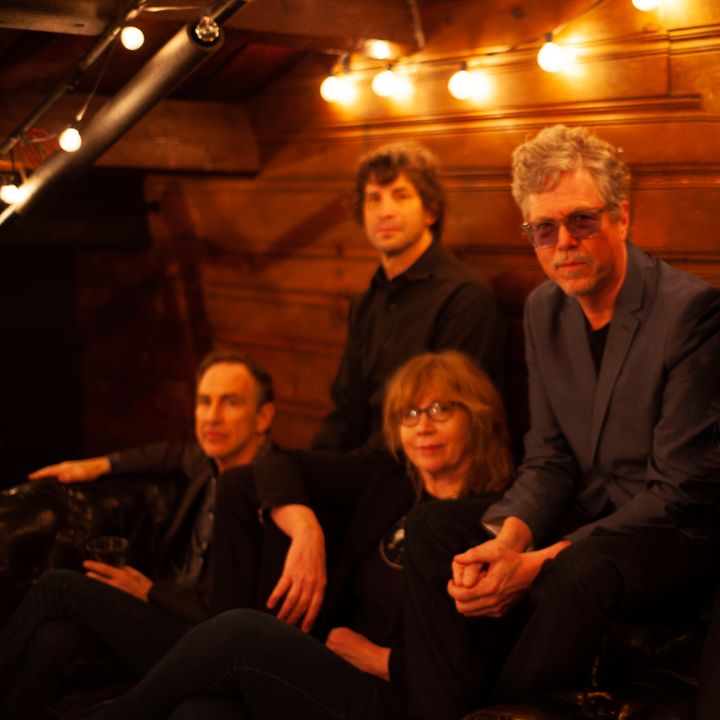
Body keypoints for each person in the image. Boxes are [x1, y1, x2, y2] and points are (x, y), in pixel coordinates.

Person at [401, 125, 720, 719]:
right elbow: (549, 457)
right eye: (543, 228)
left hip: (673, 539)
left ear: (621, 218)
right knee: (434, 530)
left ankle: (493, 715)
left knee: (577, 569)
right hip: (590, 513)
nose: (563, 242)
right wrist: (509, 543)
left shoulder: (689, 312)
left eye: (582, 221)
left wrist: (535, 564)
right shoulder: (543, 308)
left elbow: (678, 493)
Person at [87, 350, 514, 720]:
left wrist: (377, 658)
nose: (423, 426)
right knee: (198, 713)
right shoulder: (390, 479)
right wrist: (306, 530)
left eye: (441, 409)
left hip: (394, 696)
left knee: (241, 630)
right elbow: (271, 467)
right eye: (410, 413)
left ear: (477, 416)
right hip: (335, 667)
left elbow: (478, 667)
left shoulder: (499, 520)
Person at [0, 350, 276, 719]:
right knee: (53, 641)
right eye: (204, 402)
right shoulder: (208, 461)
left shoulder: (276, 493)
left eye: (231, 403)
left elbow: (233, 612)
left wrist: (147, 589)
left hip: (210, 643)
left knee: (58, 587)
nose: (212, 416)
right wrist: (96, 465)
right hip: (166, 620)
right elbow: (165, 454)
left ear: (263, 417)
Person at [312, 141, 505, 452]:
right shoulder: (366, 303)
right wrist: (316, 464)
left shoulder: (464, 297)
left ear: (430, 210)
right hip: (366, 460)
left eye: (400, 196)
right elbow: (348, 410)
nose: (385, 211)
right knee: (268, 476)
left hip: (423, 465)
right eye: (374, 199)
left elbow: (447, 422)